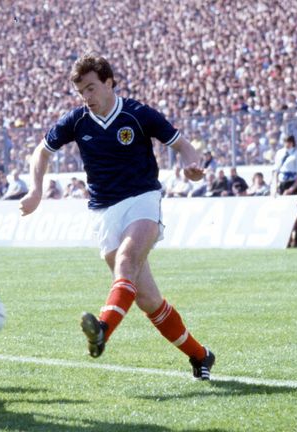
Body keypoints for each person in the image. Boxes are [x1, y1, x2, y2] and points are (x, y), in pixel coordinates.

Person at [20, 54, 215, 380]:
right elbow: (40, 152)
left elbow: (183, 146)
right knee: (148, 299)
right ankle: (201, 356)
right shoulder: (77, 120)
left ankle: (102, 331)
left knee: (126, 261)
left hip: (142, 200)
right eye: (82, 91)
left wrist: (193, 166)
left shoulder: (137, 114)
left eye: (92, 88)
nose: (87, 97)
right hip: (103, 211)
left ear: (109, 83)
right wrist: (36, 189)